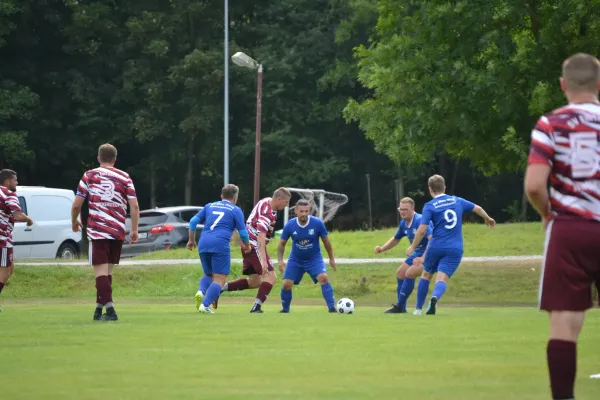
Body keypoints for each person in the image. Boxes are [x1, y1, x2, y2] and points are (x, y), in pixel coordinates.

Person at [524, 52, 600, 400]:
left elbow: (535, 186)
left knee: (564, 322)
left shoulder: (550, 124)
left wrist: (546, 213)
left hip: (569, 229)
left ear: (563, 85)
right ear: (599, 84)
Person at [407, 174, 495, 315]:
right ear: (444, 187)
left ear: (430, 189)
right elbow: (477, 208)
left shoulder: (429, 206)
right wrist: (488, 218)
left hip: (436, 246)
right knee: (442, 278)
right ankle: (435, 298)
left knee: (426, 275)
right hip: (455, 247)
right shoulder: (456, 200)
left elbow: (422, 229)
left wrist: (412, 247)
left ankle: (418, 309)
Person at [71, 144, 139, 321]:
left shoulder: (90, 175)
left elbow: (77, 204)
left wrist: (74, 220)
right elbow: (134, 205)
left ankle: (110, 311)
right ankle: (98, 309)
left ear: (99, 158)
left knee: (100, 272)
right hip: (117, 229)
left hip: (98, 229)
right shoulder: (125, 176)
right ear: (115, 159)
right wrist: (134, 229)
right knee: (107, 272)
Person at [220, 187, 291, 313]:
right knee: (271, 277)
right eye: (286, 202)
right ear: (279, 199)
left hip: (247, 244)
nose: (286, 205)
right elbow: (261, 237)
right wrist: (263, 261)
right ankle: (256, 308)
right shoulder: (267, 213)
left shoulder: (266, 201)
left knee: (255, 281)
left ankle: (219, 289)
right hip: (253, 246)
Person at [187, 184, 250, 314]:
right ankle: (204, 305)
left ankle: (201, 291)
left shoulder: (209, 206)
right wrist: (247, 246)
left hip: (204, 242)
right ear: (235, 197)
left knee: (208, 274)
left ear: (221, 196)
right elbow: (243, 233)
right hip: (220, 243)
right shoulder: (235, 210)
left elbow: (193, 222)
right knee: (220, 278)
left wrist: (191, 240)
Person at [277, 199, 337, 313]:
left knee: (323, 278)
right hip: (296, 259)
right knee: (286, 284)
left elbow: (326, 242)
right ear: (296, 211)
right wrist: (280, 260)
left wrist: (331, 259)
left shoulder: (317, 223)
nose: (304, 214)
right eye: (301, 211)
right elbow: (281, 244)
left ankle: (332, 309)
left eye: (306, 211)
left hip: (314, 258)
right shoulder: (290, 225)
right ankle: (285, 310)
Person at [374, 197, 432, 313]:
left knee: (409, 272)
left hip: (429, 252)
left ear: (412, 209)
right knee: (400, 273)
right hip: (418, 252)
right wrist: (382, 248)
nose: (402, 212)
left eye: (405, 209)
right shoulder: (404, 223)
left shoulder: (420, 220)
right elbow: (396, 239)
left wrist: (423, 258)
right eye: (401, 209)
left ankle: (400, 306)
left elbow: (432, 240)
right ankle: (401, 307)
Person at [0, 169, 33, 311]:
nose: (17, 183)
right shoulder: (8, 193)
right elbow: (18, 215)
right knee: (5, 270)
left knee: (10, 268)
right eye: (15, 180)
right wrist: (29, 219)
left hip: (6, 237)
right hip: (2, 238)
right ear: (7, 181)